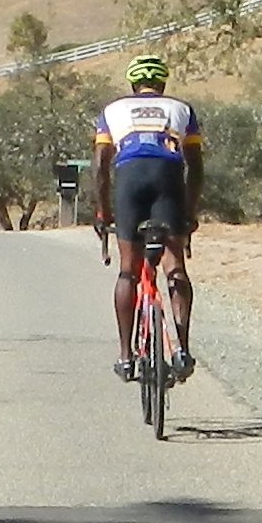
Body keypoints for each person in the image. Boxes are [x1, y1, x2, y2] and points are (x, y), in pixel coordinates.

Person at [90, 56, 199, 377]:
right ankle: (182, 349)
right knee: (174, 266)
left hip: (130, 181)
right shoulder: (182, 109)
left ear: (133, 84)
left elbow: (100, 166)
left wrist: (103, 212)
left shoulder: (112, 110)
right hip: (168, 180)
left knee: (128, 271)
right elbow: (196, 167)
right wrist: (188, 213)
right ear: (162, 84)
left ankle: (126, 356)